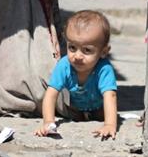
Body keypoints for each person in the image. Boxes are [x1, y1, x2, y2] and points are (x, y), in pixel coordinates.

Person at [35, 10, 118, 139]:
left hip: (99, 109)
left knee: (102, 114)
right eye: (72, 48)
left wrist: (109, 124)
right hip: (74, 109)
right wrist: (48, 122)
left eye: (87, 50)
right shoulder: (64, 65)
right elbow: (51, 94)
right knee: (69, 112)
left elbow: (110, 96)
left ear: (103, 52)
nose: (78, 56)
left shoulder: (104, 69)